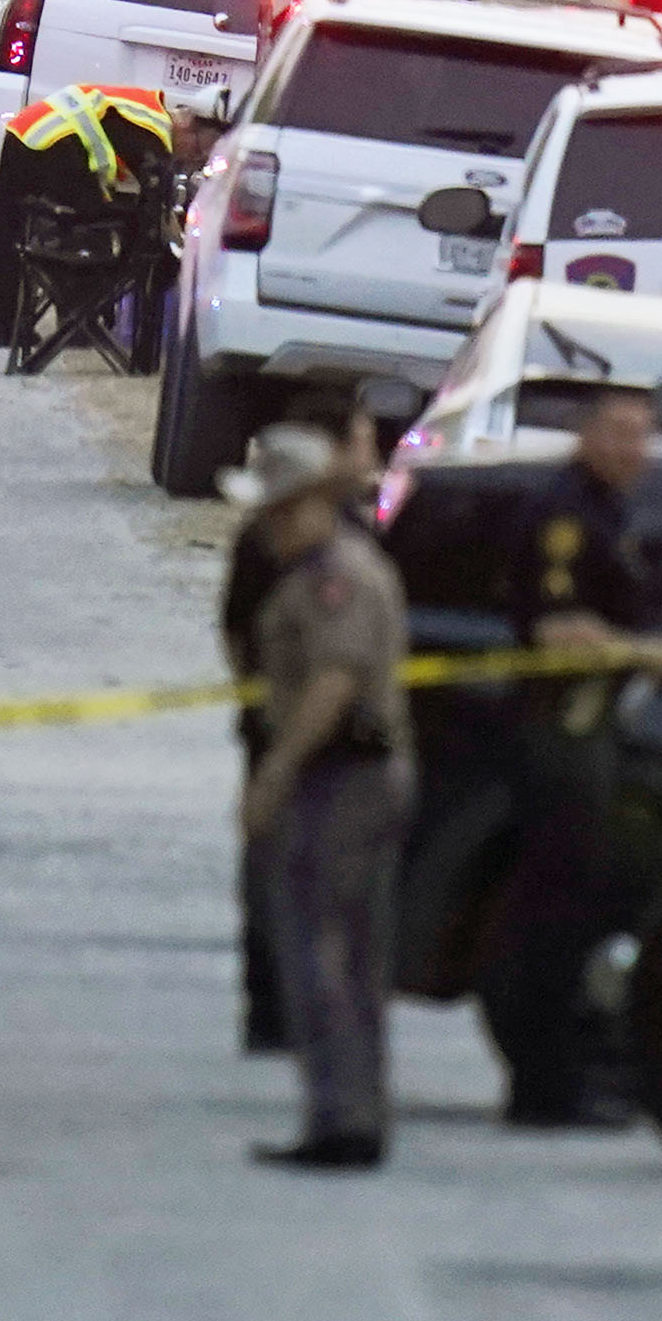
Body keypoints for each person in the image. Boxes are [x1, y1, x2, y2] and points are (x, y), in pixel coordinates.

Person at [229, 423, 414, 1171]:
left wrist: (276, 769)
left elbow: (333, 681)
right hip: (356, 775)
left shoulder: (332, 578)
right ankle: (352, 1111)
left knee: (320, 950)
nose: (266, 526)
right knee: (353, 953)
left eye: (276, 509)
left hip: (342, 779)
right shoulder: (329, 569)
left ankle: (342, 1115)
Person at [480, 385, 658, 1128]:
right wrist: (655, 653)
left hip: (587, 733)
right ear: (584, 433)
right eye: (616, 432)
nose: (630, 450)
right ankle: (543, 1088)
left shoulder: (605, 511)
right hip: (560, 734)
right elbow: (557, 632)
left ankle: (553, 1080)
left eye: (640, 437)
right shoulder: (566, 516)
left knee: (570, 913)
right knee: (552, 919)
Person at [219, 386, 382, 1056]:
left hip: (333, 739)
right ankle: (274, 1008)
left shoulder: (348, 534)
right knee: (277, 874)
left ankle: (301, 1011)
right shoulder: (288, 539)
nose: (374, 450)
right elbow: (239, 629)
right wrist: (267, 713)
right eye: (365, 436)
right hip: (290, 728)